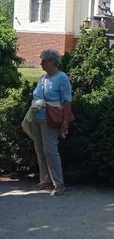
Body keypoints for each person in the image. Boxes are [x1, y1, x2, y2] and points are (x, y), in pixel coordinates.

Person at [23, 49, 73, 196]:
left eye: (43, 60)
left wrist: (65, 121)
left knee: (50, 151)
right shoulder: (42, 78)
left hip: (50, 119)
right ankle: (45, 180)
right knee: (40, 150)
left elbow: (67, 100)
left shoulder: (62, 77)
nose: (41, 63)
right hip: (37, 117)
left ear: (52, 62)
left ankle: (59, 183)